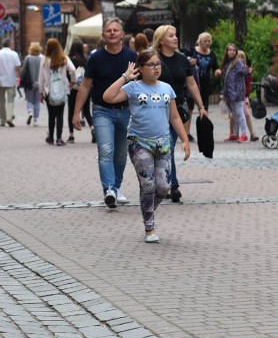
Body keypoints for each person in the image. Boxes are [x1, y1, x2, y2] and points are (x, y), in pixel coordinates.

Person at [102, 49, 190, 242]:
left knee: (164, 187)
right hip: (138, 142)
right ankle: (149, 227)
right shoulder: (133, 87)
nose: (156, 68)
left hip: (163, 143)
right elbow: (107, 97)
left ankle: (148, 208)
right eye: (150, 65)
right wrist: (125, 77)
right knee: (148, 185)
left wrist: (184, 139)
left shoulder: (167, 88)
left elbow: (174, 116)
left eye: (158, 64)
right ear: (141, 68)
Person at [72, 17, 137, 208]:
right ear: (103, 35)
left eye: (116, 30)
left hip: (126, 111)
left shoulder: (131, 56)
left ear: (122, 34)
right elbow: (85, 86)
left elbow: (139, 85)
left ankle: (116, 188)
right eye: (108, 30)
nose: (112, 33)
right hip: (102, 111)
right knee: (106, 150)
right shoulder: (96, 57)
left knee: (121, 154)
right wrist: (77, 113)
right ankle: (109, 189)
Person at [152, 25, 207, 203]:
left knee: (167, 144)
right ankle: (166, 183)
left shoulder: (182, 59)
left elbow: (191, 84)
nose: (175, 38)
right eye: (171, 36)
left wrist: (201, 105)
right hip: (155, 108)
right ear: (161, 40)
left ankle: (172, 184)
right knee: (159, 147)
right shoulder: (153, 59)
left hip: (177, 109)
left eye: (175, 35)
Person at [39, 38, 76, 146]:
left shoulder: (45, 60)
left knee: (51, 115)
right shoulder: (64, 58)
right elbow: (73, 70)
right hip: (62, 90)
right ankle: (59, 138)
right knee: (60, 115)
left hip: (49, 90)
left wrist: (41, 92)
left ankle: (51, 137)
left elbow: (40, 78)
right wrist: (72, 81)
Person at [0, 39, 21, 127]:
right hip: (11, 80)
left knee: (1, 101)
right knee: (10, 100)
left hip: (0, 81)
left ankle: (2, 120)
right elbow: (18, 68)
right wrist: (19, 77)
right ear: (10, 44)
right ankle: (9, 117)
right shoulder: (14, 54)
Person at [221, 45, 249, 142]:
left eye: (233, 50)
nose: (231, 52)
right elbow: (226, 80)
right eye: (230, 50)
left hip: (237, 93)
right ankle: (236, 134)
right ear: (227, 52)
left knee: (240, 113)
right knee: (235, 115)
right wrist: (224, 93)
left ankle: (244, 134)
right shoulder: (227, 64)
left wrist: (247, 69)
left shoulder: (238, 63)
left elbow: (245, 72)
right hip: (230, 94)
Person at [67, 41, 92, 142]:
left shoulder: (70, 60)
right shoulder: (86, 60)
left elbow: (68, 73)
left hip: (73, 89)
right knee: (86, 111)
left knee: (71, 111)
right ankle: (92, 128)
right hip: (85, 89)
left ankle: (71, 135)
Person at [20, 42, 43, 126]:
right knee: (37, 101)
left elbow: (23, 70)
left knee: (29, 99)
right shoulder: (42, 58)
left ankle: (30, 111)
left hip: (30, 83)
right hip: (40, 83)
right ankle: (35, 120)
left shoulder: (28, 58)